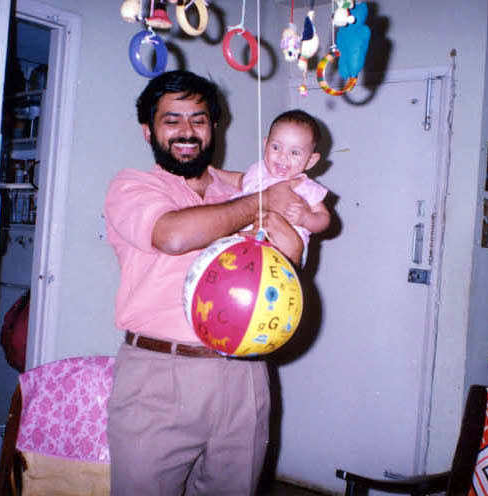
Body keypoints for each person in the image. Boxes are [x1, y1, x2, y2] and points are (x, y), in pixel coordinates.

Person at [103, 70, 305, 496]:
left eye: (198, 119)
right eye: (171, 120)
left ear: (213, 127)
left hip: (244, 376)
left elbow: (288, 263)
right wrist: (260, 202)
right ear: (148, 130)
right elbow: (173, 235)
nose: (186, 131)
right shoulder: (133, 186)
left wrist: (283, 220)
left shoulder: (241, 191)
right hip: (159, 376)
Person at [235, 109, 330, 255]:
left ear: (311, 160)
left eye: (294, 152)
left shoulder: (305, 186)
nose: (282, 156)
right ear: (266, 144)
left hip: (283, 250)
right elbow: (239, 181)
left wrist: (306, 218)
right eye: (276, 147)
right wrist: (215, 173)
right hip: (243, 241)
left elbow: (324, 218)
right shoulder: (257, 170)